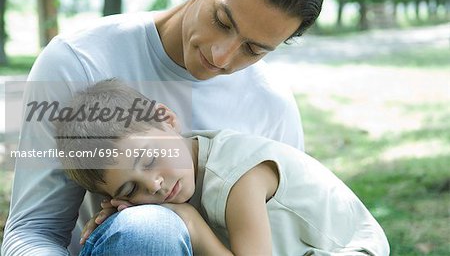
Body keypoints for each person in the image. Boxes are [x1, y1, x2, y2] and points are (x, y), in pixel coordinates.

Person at [2, 0, 324, 255]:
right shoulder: (78, 63)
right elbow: (32, 230)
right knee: (150, 231)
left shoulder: (272, 105)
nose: (221, 56)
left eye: (253, 50)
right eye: (222, 21)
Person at [56, 79, 390, 256]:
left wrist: (190, 222)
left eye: (148, 158)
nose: (154, 184)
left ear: (167, 120)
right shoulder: (184, 167)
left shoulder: (238, 174)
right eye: (130, 190)